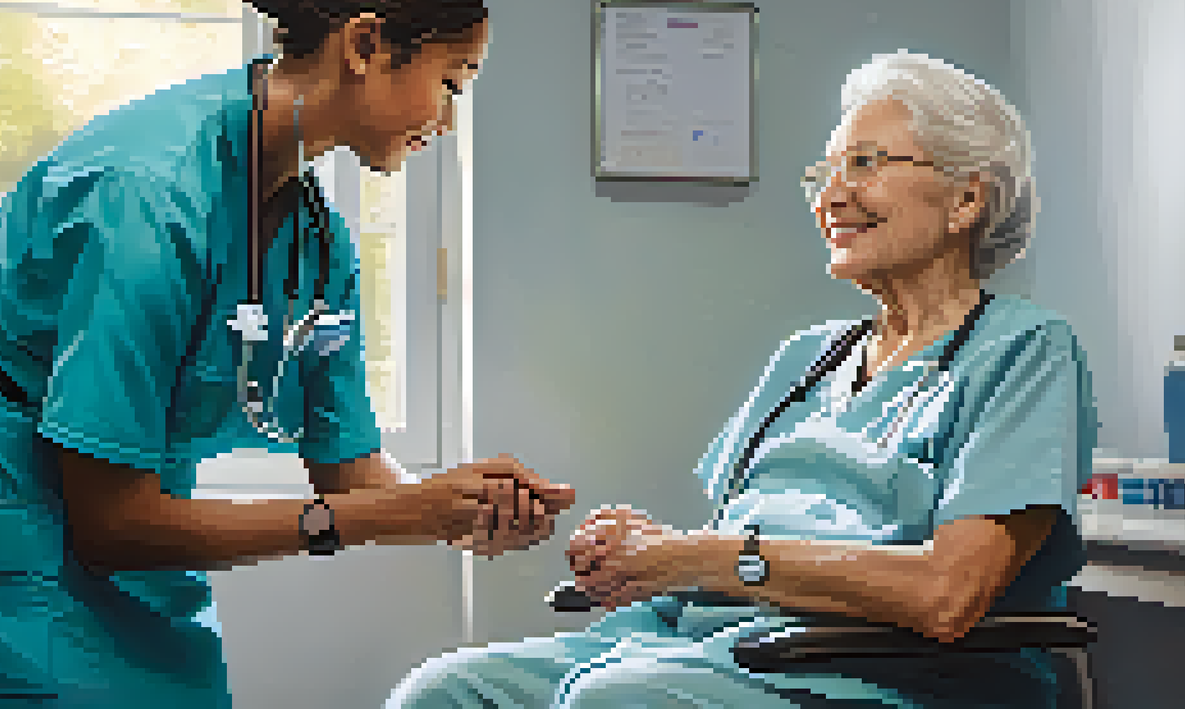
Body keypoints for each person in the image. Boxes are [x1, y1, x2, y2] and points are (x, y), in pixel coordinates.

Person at [0, 0, 575, 708]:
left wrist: (455, 510)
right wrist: (378, 516)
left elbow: (351, 474)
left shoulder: (317, 240)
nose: (447, 120)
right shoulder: (149, 197)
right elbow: (111, 524)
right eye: (452, 82)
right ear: (366, 45)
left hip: (137, 532)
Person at [387, 50, 1099, 709]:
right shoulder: (807, 359)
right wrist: (650, 552)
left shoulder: (1023, 351)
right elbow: (749, 535)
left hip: (877, 675)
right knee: (447, 691)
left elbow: (949, 593)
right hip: (704, 646)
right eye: (824, 174)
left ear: (967, 200)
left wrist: (695, 557)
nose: (831, 197)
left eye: (865, 163)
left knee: (616, 702)